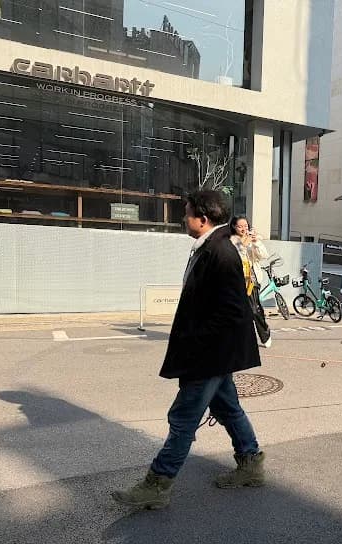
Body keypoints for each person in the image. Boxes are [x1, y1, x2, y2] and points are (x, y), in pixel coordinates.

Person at [112, 190, 265, 510]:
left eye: (187, 213)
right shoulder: (211, 246)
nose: (184, 218)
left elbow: (230, 312)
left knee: (183, 417)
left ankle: (157, 484)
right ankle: (251, 463)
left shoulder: (220, 252)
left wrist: (196, 347)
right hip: (214, 353)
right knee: (228, 409)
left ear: (203, 219)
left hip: (209, 354)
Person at [230, 215, 272, 348]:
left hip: (251, 281)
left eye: (245, 226)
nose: (243, 229)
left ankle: (265, 335)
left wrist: (256, 243)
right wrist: (243, 245)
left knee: (255, 310)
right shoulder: (231, 241)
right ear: (234, 227)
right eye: (240, 226)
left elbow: (264, 256)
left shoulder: (254, 239)